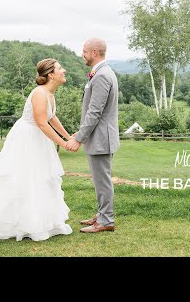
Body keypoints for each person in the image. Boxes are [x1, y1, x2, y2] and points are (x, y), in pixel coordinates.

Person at [0, 58, 75, 241]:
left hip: (39, 138)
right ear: (51, 75)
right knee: (26, 178)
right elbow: (41, 123)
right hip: (28, 138)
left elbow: (52, 118)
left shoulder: (50, 94)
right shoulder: (40, 93)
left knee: (42, 178)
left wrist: (69, 136)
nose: (64, 71)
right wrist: (63, 144)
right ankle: (20, 223)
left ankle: (41, 221)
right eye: (60, 68)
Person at [66, 38, 120, 233]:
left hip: (101, 138)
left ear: (94, 52)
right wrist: (80, 132)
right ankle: (101, 214)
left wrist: (79, 138)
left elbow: (95, 112)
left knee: (102, 181)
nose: (83, 54)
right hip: (98, 136)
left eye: (84, 51)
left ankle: (106, 221)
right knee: (99, 180)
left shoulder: (102, 76)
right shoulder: (101, 73)